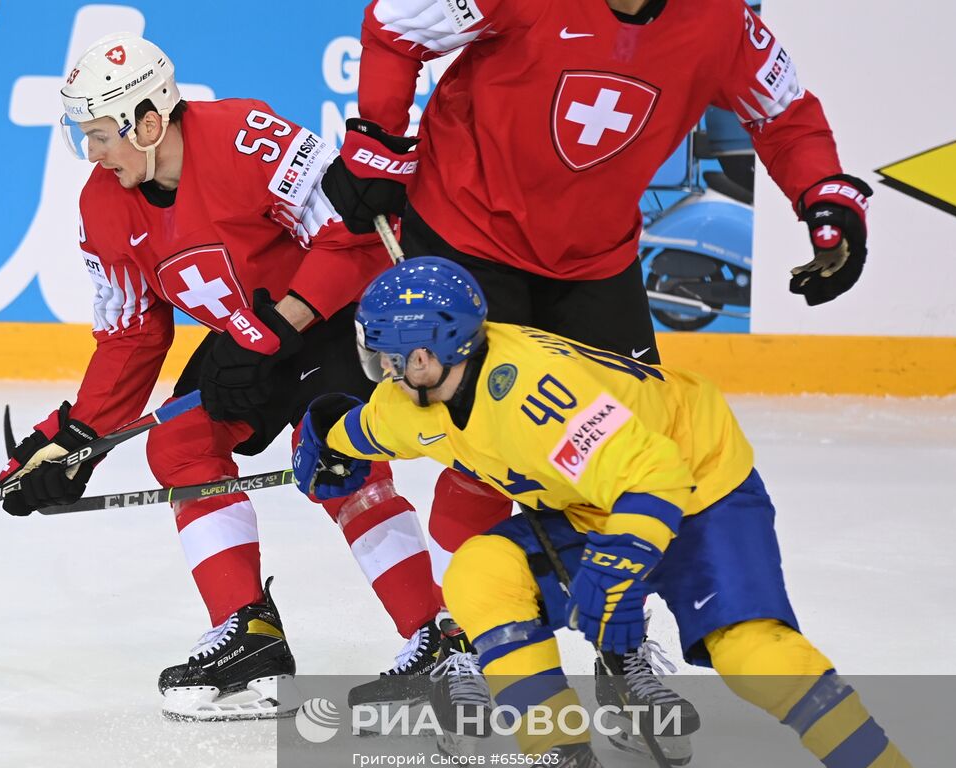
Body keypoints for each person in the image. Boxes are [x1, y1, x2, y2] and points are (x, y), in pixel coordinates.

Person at [290, 256, 956, 768]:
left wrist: (615, 570)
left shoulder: (532, 396)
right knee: (480, 571)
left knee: (752, 654)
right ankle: (563, 759)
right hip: (601, 499)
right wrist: (327, 440)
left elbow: (657, 476)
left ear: (426, 355)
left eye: (385, 355)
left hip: (699, 484)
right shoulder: (424, 394)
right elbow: (373, 425)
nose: (378, 367)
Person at [322, 0, 871, 725]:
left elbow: (783, 108)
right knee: (481, 452)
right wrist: (376, 140)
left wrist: (823, 195)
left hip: (592, 257)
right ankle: (461, 637)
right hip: (468, 230)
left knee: (623, 448)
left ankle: (622, 644)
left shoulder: (721, 20)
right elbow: (394, 26)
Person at [0, 32, 450, 721]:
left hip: (333, 317)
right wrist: (77, 433)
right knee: (178, 445)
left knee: (336, 453)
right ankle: (251, 634)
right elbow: (132, 334)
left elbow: (357, 231)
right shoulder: (103, 205)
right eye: (83, 136)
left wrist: (282, 326)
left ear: (149, 122)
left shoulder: (245, 136)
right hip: (250, 339)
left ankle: (436, 636)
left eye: (99, 135)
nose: (91, 154)